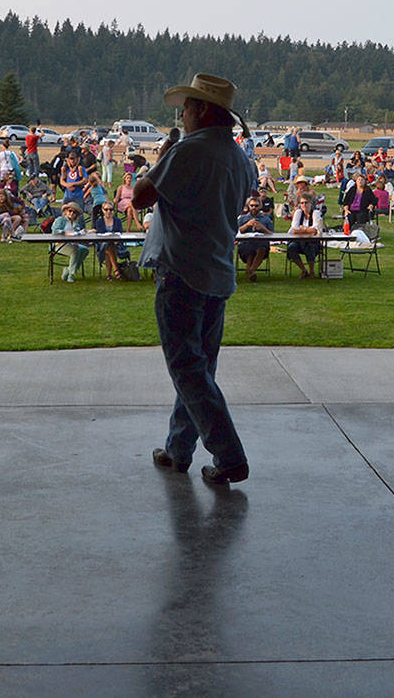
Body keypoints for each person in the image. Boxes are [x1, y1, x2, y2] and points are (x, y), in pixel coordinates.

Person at [135, 73, 256, 486]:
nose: (182, 114)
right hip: (217, 272)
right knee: (199, 368)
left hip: (181, 273)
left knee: (187, 369)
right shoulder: (242, 160)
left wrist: (164, 155)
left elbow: (139, 196)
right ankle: (178, 449)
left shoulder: (187, 151)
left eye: (186, 107)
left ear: (202, 111)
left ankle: (229, 456)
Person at [236, 195, 274, 282]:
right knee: (250, 250)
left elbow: (272, 233)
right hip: (246, 244)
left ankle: (250, 270)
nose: (254, 208)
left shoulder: (266, 218)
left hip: (261, 244)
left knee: (261, 248)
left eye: (256, 206)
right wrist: (247, 225)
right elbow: (237, 231)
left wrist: (262, 228)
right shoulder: (243, 218)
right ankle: (251, 272)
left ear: (260, 206)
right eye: (252, 205)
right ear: (248, 206)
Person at [286, 194, 323, 278]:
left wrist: (303, 229)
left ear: (311, 203)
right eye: (302, 203)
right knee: (291, 248)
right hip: (298, 241)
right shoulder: (298, 213)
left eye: (306, 203)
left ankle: (312, 272)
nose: (304, 205)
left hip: (312, 242)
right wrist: (308, 230)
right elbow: (294, 230)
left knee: (310, 247)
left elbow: (315, 230)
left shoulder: (315, 213)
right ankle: (303, 270)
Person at [50, 199, 88, 282]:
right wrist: (64, 232)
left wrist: (83, 232)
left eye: (74, 212)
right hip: (58, 244)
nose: (72, 213)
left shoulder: (75, 224)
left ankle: (68, 270)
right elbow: (54, 231)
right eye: (70, 211)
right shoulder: (60, 220)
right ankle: (71, 275)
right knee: (75, 251)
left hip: (71, 244)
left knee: (85, 249)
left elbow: (76, 234)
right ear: (66, 211)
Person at [93, 202, 130, 280]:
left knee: (110, 247)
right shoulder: (99, 221)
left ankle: (109, 275)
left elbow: (120, 232)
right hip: (103, 246)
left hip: (117, 245)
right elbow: (99, 234)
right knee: (108, 245)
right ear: (102, 210)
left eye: (110, 209)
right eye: (106, 209)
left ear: (113, 211)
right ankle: (116, 270)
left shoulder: (118, 221)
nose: (108, 211)